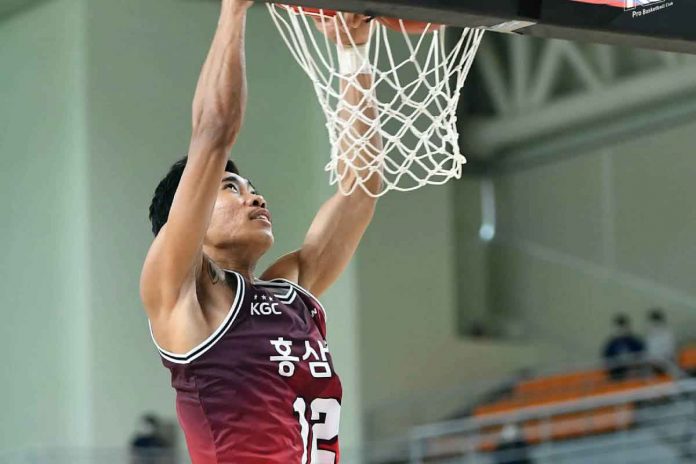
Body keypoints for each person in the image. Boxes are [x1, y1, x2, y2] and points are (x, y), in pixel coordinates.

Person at [140, 2, 380, 463]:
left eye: (254, 189)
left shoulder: (290, 294)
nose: (256, 198)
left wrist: (353, 54)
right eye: (231, 188)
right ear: (187, 216)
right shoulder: (181, 296)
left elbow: (361, 190)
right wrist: (234, 11)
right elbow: (213, 133)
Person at [602, 314, 645, 380]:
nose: (622, 330)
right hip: (618, 376)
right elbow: (606, 362)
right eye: (619, 328)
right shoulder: (611, 344)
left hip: (635, 374)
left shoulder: (635, 342)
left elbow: (642, 357)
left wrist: (634, 369)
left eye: (624, 327)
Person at [645, 308, 676, 372]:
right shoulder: (649, 336)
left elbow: (670, 352)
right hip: (654, 364)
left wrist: (661, 361)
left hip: (666, 364)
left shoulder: (667, 334)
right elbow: (649, 352)